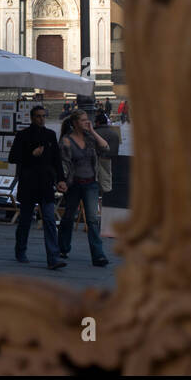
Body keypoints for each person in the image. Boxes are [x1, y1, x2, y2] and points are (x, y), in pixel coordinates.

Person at [9, 105, 67, 269]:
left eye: (43, 116)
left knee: (49, 219)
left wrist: (61, 179)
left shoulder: (50, 135)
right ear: (32, 118)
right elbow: (12, 157)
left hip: (46, 183)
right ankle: (20, 250)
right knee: (26, 220)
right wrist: (30, 155)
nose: (41, 119)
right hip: (28, 183)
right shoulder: (23, 135)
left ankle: (53, 258)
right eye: (38, 116)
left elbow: (57, 160)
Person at [57, 109, 111, 266]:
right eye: (83, 120)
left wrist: (93, 131)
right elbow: (63, 164)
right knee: (68, 217)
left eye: (87, 119)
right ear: (74, 123)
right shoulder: (66, 140)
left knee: (93, 220)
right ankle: (63, 248)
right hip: (74, 184)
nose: (86, 122)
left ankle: (98, 255)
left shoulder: (90, 138)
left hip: (91, 184)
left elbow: (105, 147)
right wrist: (62, 182)